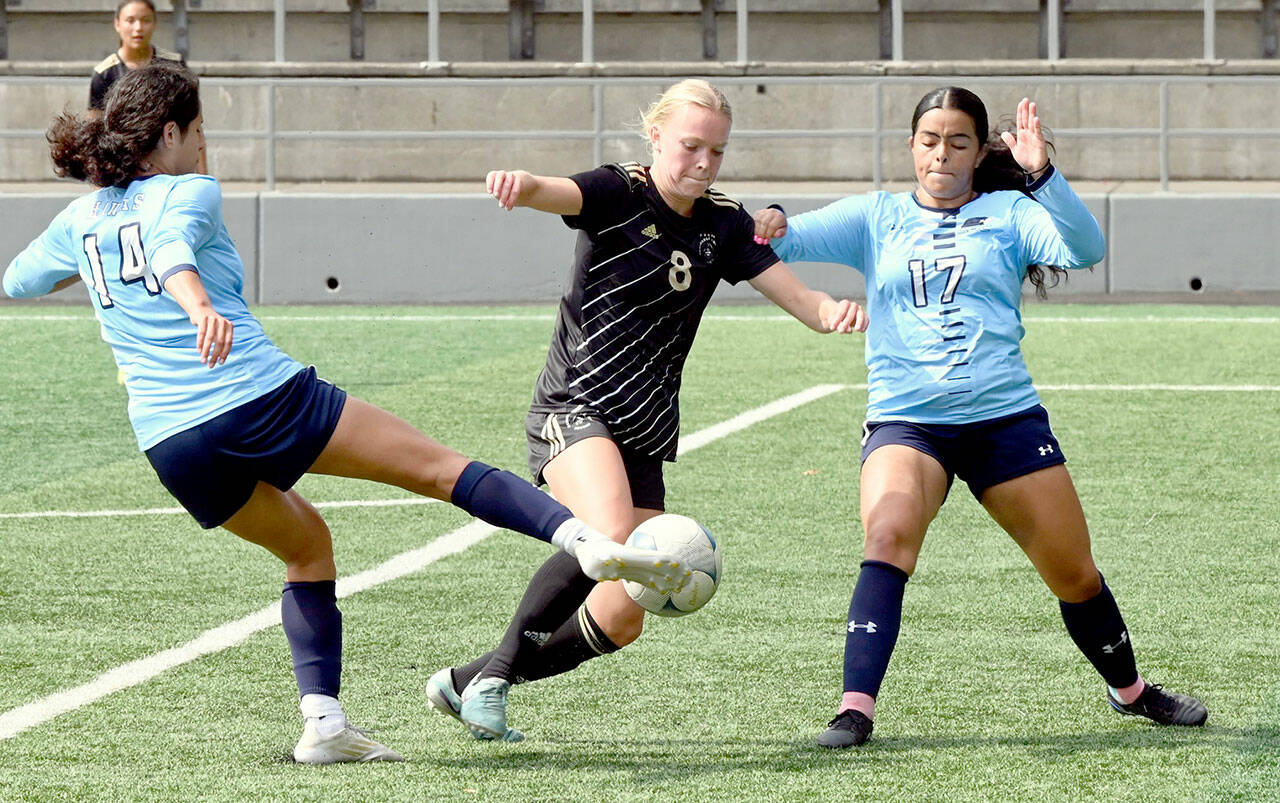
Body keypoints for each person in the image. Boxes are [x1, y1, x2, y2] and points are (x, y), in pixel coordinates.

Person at [2, 62, 692, 765]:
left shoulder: (78, 218)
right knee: (439, 468)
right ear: (170, 133)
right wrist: (196, 303)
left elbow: (19, 279)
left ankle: (325, 722)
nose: (205, 146)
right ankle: (582, 539)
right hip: (255, 397)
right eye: (200, 131)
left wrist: (93, 262)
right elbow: (171, 248)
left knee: (307, 546)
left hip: (169, 442)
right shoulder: (189, 190)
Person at [750, 86, 1209, 748]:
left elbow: (1086, 247)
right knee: (887, 536)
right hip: (907, 420)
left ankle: (1131, 691)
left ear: (975, 151)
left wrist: (1042, 175)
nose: (942, 152)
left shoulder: (1010, 212)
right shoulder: (875, 216)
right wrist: (771, 216)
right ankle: (855, 709)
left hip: (1004, 419)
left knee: (1074, 573)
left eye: (958, 141)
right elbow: (784, 240)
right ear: (911, 145)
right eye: (930, 139)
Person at [425, 78, 869, 742]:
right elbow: (560, 192)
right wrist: (524, 183)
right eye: (691, 146)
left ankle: (468, 679)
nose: (703, 163)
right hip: (575, 405)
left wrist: (830, 309)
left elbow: (800, 300)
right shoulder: (619, 192)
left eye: (716, 152)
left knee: (624, 614)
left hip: (645, 431)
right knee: (604, 533)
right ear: (657, 134)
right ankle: (493, 683)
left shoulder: (722, 222)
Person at [89, 0, 182, 112]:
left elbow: (190, 118)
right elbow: (95, 125)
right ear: (117, 24)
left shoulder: (174, 66)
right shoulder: (104, 74)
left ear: (154, 23)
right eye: (130, 20)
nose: (138, 28)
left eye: (146, 20)